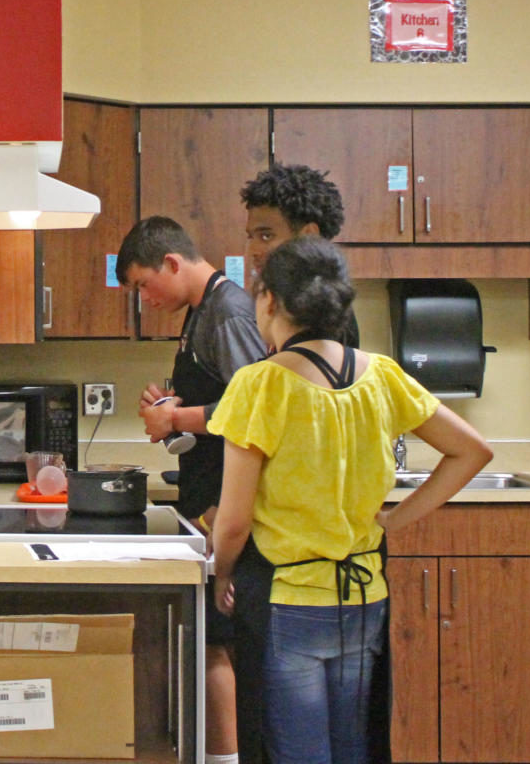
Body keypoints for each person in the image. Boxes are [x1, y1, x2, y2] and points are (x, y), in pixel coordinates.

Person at [209, 237, 492, 764]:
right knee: (354, 749)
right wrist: (393, 521)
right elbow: (472, 451)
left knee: (296, 752)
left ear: (269, 300)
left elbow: (233, 522)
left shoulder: (260, 385)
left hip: (287, 600)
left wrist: (222, 572)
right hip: (364, 596)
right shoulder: (382, 375)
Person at [117, 215, 267, 764]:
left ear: (173, 264)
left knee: (215, 643)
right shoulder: (202, 313)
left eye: (142, 285)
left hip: (227, 504)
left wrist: (176, 419)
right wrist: (172, 409)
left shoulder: (225, 313)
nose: (144, 299)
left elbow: (257, 408)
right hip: (208, 499)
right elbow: (225, 398)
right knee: (208, 640)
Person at [240, 162, 360, 346]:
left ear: (309, 235)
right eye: (251, 237)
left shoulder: (324, 313)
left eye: (266, 236)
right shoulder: (277, 301)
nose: (253, 251)